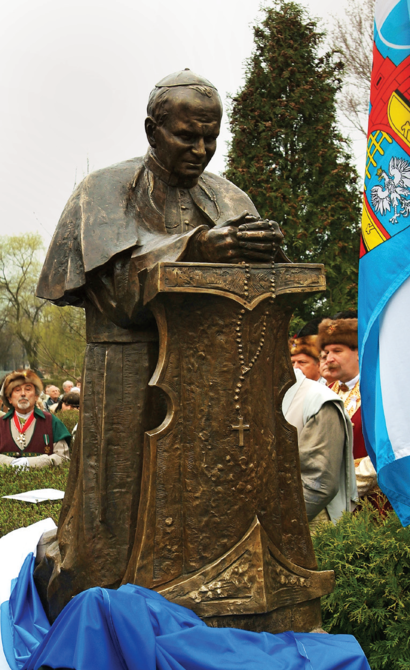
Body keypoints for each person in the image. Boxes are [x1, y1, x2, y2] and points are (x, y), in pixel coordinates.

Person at [34, 69, 288, 621]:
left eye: (210, 137)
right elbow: (116, 292)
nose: (201, 150)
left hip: (207, 372)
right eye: (187, 136)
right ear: (153, 131)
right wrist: (196, 247)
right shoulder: (103, 191)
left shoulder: (228, 197)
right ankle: (100, 614)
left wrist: (263, 252)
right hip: (126, 366)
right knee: (116, 513)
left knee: (201, 499)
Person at [283, 368, 357, 530]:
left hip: (308, 527)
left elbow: (318, 485)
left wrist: (275, 525)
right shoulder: (253, 397)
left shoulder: (318, 400)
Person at [317, 318, 378, 499]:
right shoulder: (323, 393)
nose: (329, 359)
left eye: (337, 351)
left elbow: (386, 448)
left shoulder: (379, 390)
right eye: (326, 352)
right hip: (332, 498)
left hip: (375, 498)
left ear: (358, 352)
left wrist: (345, 489)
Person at [0, 370, 71, 469]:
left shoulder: (51, 421)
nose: (23, 394)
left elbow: (63, 458)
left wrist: (31, 463)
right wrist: (11, 463)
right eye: (17, 390)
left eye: (28, 389)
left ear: (36, 396)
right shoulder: (1, 423)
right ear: (9, 399)